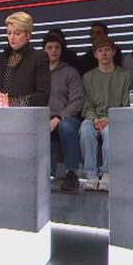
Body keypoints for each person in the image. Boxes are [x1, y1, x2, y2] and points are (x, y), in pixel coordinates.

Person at [79, 37, 131, 192]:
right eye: (100, 51)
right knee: (85, 129)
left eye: (107, 50)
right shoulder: (88, 77)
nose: (104, 54)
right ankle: (90, 175)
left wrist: (109, 119)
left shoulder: (125, 75)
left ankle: (107, 174)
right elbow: (86, 104)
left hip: (115, 118)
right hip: (94, 117)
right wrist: (95, 119)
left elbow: (126, 104)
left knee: (110, 131)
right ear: (95, 54)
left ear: (113, 52)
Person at [43, 35, 84, 191]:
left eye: (57, 48)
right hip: (43, 116)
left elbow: (77, 100)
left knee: (66, 127)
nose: (53, 51)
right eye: (50, 48)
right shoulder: (38, 72)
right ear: (44, 50)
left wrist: (60, 117)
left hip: (65, 116)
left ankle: (71, 173)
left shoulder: (70, 72)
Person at [0, 11, 50, 108]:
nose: (12, 38)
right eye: (9, 33)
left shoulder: (38, 57)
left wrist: (13, 102)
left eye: (17, 33)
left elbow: (42, 96)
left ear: (28, 34)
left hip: (26, 115)